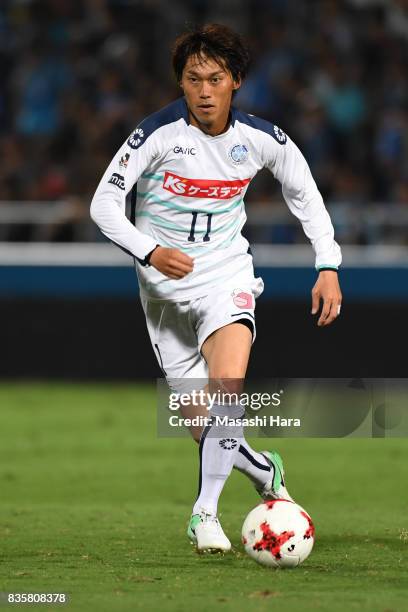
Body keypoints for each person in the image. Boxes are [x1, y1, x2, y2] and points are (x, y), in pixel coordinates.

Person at [90, 23, 342, 553]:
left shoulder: (261, 140)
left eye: (215, 78)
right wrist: (150, 251)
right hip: (162, 294)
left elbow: (305, 194)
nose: (204, 91)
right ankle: (262, 468)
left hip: (226, 277)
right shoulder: (157, 134)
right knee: (204, 426)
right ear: (180, 84)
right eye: (192, 79)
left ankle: (204, 513)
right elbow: (103, 205)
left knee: (228, 385)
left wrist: (328, 264)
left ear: (237, 82)